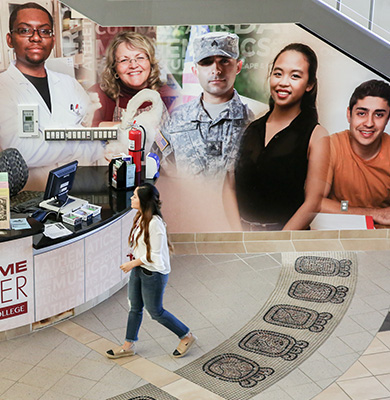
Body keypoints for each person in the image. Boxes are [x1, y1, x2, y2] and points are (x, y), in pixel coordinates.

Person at [0, 2, 105, 190]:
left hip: (80, 192)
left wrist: (52, 141)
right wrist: (79, 138)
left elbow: (97, 140)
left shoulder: (69, 84)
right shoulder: (3, 88)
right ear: (10, 39)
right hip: (31, 201)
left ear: (53, 40)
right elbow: (22, 153)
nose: (36, 38)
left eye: (44, 31)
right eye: (25, 30)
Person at [226, 43, 329, 231]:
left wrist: (276, 243)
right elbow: (229, 187)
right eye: (278, 73)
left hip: (287, 243)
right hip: (244, 240)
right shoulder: (250, 128)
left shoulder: (316, 135)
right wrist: (238, 237)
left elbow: (313, 203)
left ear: (310, 84)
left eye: (295, 76)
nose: (283, 82)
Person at [106, 183, 196, 359]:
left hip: (153, 273)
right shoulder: (140, 217)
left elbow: (155, 256)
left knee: (155, 312)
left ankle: (186, 336)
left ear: (144, 201)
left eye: (134, 196)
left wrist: (131, 264)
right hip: (140, 268)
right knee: (135, 307)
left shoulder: (155, 224)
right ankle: (128, 344)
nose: (131, 198)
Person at [161, 31, 253, 176]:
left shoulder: (255, 122)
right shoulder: (175, 121)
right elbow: (164, 175)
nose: (216, 70)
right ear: (195, 71)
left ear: (238, 66)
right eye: (206, 62)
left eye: (224, 60)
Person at [320, 79, 390, 225]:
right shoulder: (330, 146)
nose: (369, 123)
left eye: (379, 115)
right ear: (349, 114)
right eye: (362, 113)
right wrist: (373, 214)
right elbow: (316, 202)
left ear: (387, 119)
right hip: (338, 234)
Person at [90, 31, 181, 127]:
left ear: (150, 62)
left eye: (140, 58)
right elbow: (85, 127)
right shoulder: (98, 95)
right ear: (114, 67)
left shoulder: (170, 96)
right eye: (124, 60)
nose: (133, 65)